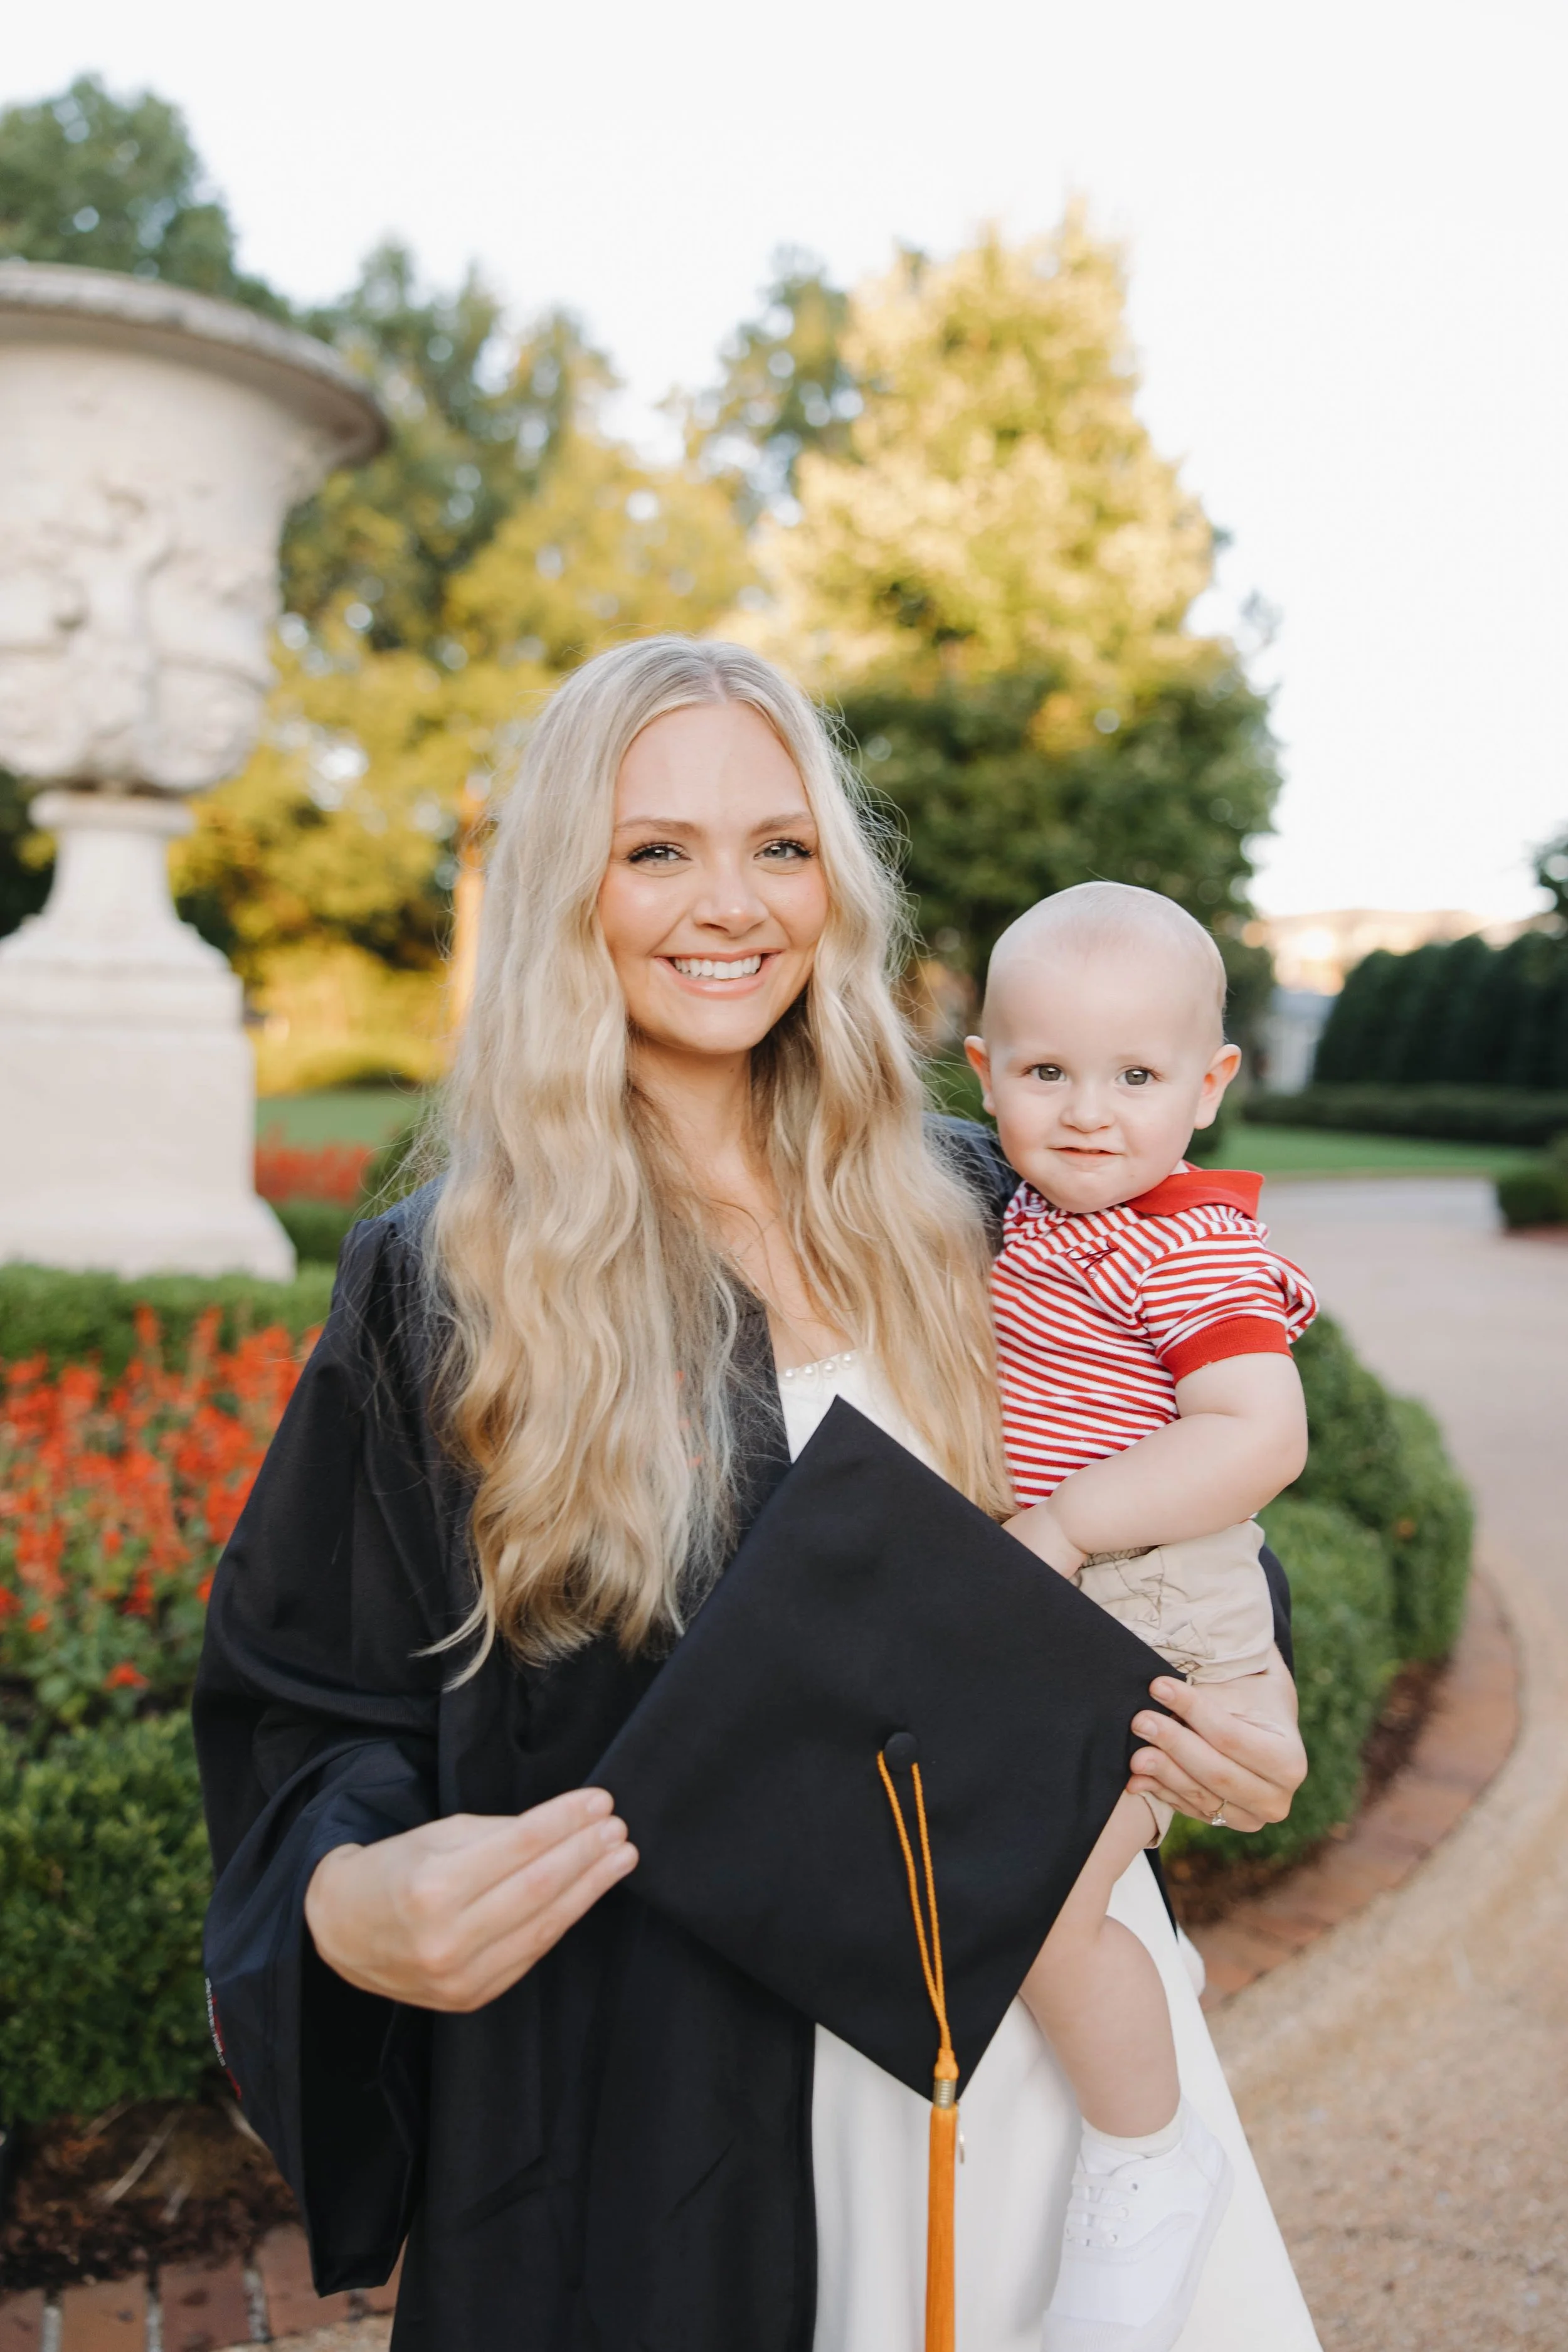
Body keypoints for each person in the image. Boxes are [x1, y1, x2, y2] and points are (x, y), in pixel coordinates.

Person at [194, 637, 1316, 2352]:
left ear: (835, 882)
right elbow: (305, 1704)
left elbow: (1158, 1479)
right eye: (657, 848)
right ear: (570, 882)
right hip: (672, 2114)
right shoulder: (445, 1285)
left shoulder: (979, 1198)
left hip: (1044, 2037)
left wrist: (1246, 1691)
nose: (728, 904)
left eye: (778, 845)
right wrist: (348, 1893)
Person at [961, 884, 1318, 2349]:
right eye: (1046, 1073)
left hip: (1149, 1597)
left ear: (1209, 1088)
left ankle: (1144, 2160)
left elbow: (1256, 1436)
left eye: (1136, 1076)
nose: (1090, 1113)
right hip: (1075, 1590)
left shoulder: (1187, 1249)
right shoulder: (1031, 1211)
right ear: (981, 1075)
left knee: (1050, 1893)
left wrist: (1059, 1523)